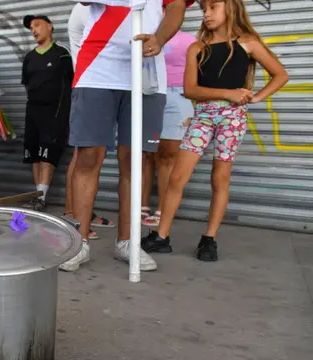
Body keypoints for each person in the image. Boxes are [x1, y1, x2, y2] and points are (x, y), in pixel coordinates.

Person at [141, 0, 288, 261]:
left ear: (230, 8)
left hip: (232, 119)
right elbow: (190, 90)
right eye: (204, 9)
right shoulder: (196, 47)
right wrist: (227, 93)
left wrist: (255, 97)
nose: (207, 14)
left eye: (213, 7)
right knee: (176, 178)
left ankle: (209, 239)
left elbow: (280, 75)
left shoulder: (247, 42)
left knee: (219, 180)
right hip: (203, 116)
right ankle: (162, 237)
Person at [60, 0, 192, 272]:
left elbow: (177, 7)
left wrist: (159, 38)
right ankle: (79, 242)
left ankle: (127, 242)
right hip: (97, 68)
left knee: (136, 159)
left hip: (146, 71)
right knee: (87, 156)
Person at [62, 2, 115, 240]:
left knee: (93, 156)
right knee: (84, 156)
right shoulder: (86, 9)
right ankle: (72, 215)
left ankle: (83, 213)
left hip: (107, 84)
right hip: (91, 83)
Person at [142, 27, 196, 227]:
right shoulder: (145, 34)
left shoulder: (188, 40)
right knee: (145, 152)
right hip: (149, 93)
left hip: (178, 96)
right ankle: (142, 204)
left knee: (168, 155)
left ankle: (163, 208)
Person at [21, 15, 73, 211]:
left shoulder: (62, 53)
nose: (34, 30)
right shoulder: (29, 57)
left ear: (49, 26)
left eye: (37, 25)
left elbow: (71, 82)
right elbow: (27, 84)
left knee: (47, 154)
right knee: (34, 154)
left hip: (55, 112)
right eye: (31, 27)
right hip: (33, 110)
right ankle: (38, 196)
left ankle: (42, 195)